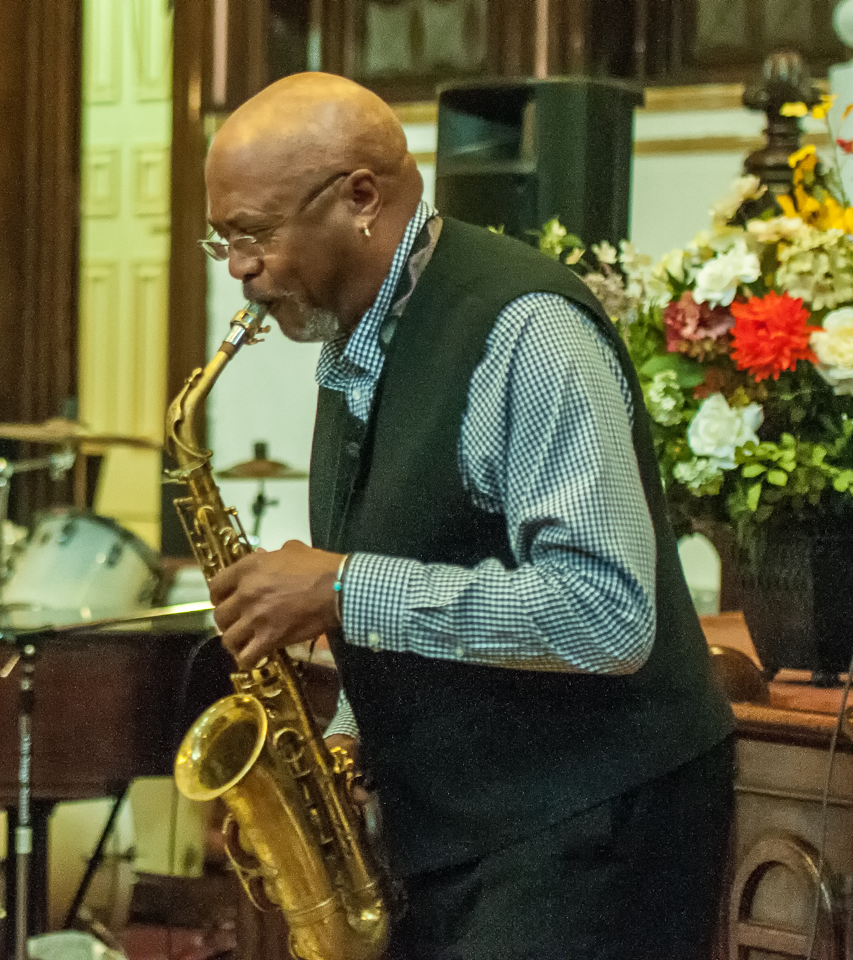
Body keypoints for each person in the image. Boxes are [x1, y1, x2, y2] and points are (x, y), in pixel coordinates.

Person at [201, 74, 735, 959]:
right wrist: (345, 741)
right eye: (221, 241)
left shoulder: (526, 329)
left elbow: (607, 612)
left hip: (588, 827)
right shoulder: (356, 331)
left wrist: (341, 587)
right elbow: (423, 547)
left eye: (254, 235)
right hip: (468, 831)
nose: (240, 270)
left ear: (361, 198)